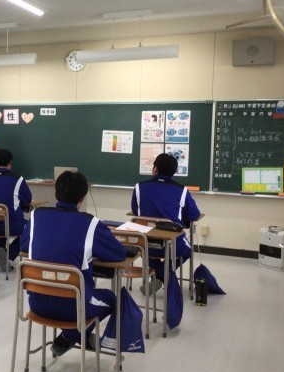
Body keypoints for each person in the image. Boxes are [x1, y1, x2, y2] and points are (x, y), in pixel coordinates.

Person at [21, 170, 126, 356]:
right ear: (82, 198)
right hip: (74, 309)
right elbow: (118, 254)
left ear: (55, 193)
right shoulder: (90, 224)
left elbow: (23, 246)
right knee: (112, 299)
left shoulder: (37, 216)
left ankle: (70, 338)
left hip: (37, 303)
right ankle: (71, 336)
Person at [131, 152, 201, 294]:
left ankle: (159, 274)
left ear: (155, 169)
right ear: (174, 172)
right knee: (188, 250)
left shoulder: (139, 187)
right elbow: (194, 214)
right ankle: (166, 274)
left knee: (144, 249)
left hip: (146, 243)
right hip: (173, 245)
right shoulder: (181, 190)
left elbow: (136, 212)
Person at [0, 148, 32, 270]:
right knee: (31, 228)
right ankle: (9, 254)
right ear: (10, 163)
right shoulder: (17, 179)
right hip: (12, 225)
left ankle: (0, 252)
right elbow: (28, 200)